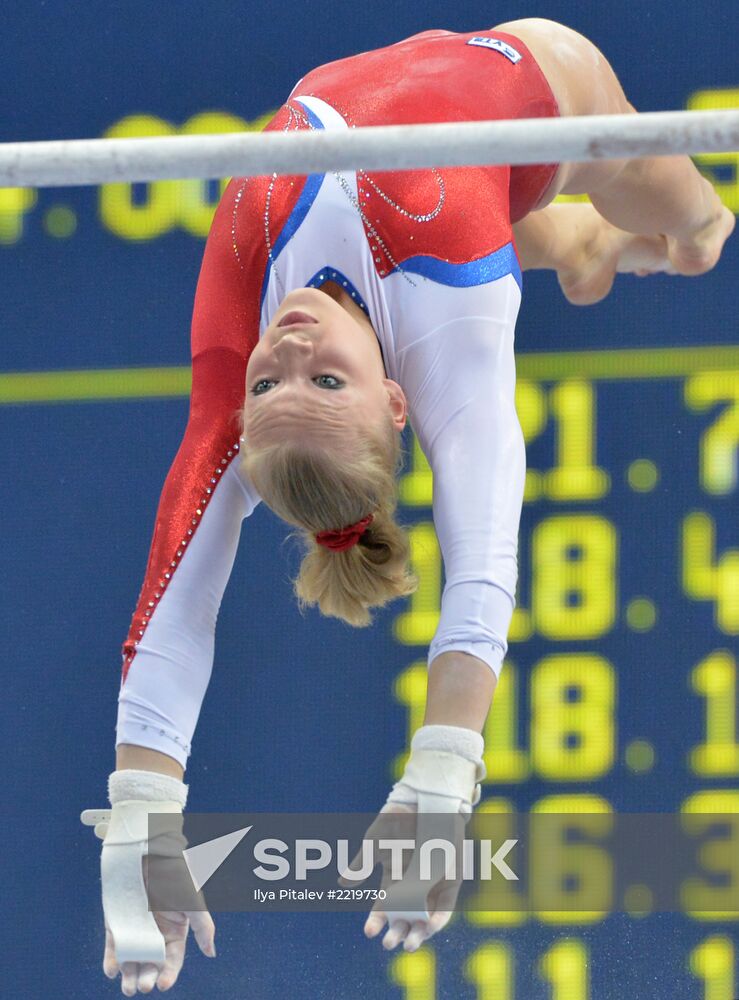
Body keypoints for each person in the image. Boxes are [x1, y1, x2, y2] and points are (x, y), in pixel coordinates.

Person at [82, 17, 734, 995]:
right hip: (544, 94)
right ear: (396, 400)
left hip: (474, 186)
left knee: (570, 239)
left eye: (268, 385)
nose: (290, 345)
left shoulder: (243, 305)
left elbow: (175, 597)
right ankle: (627, 239)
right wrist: (440, 775)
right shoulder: (451, 316)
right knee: (692, 225)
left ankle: (586, 252)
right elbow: (482, 561)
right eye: (325, 383)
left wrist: (142, 817)